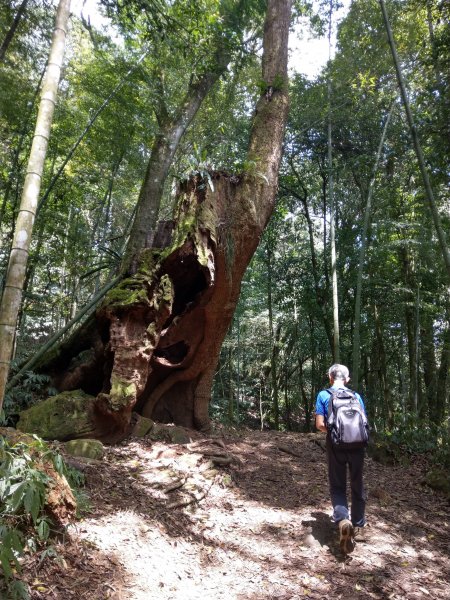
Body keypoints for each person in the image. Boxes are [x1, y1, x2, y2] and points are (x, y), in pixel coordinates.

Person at [315, 363, 367, 554]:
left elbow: (320, 425)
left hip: (335, 445)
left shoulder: (323, 395)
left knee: (337, 485)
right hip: (358, 446)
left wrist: (335, 432)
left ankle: (343, 520)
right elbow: (363, 422)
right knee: (357, 483)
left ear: (330, 378)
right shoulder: (356, 396)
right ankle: (359, 525)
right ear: (347, 379)